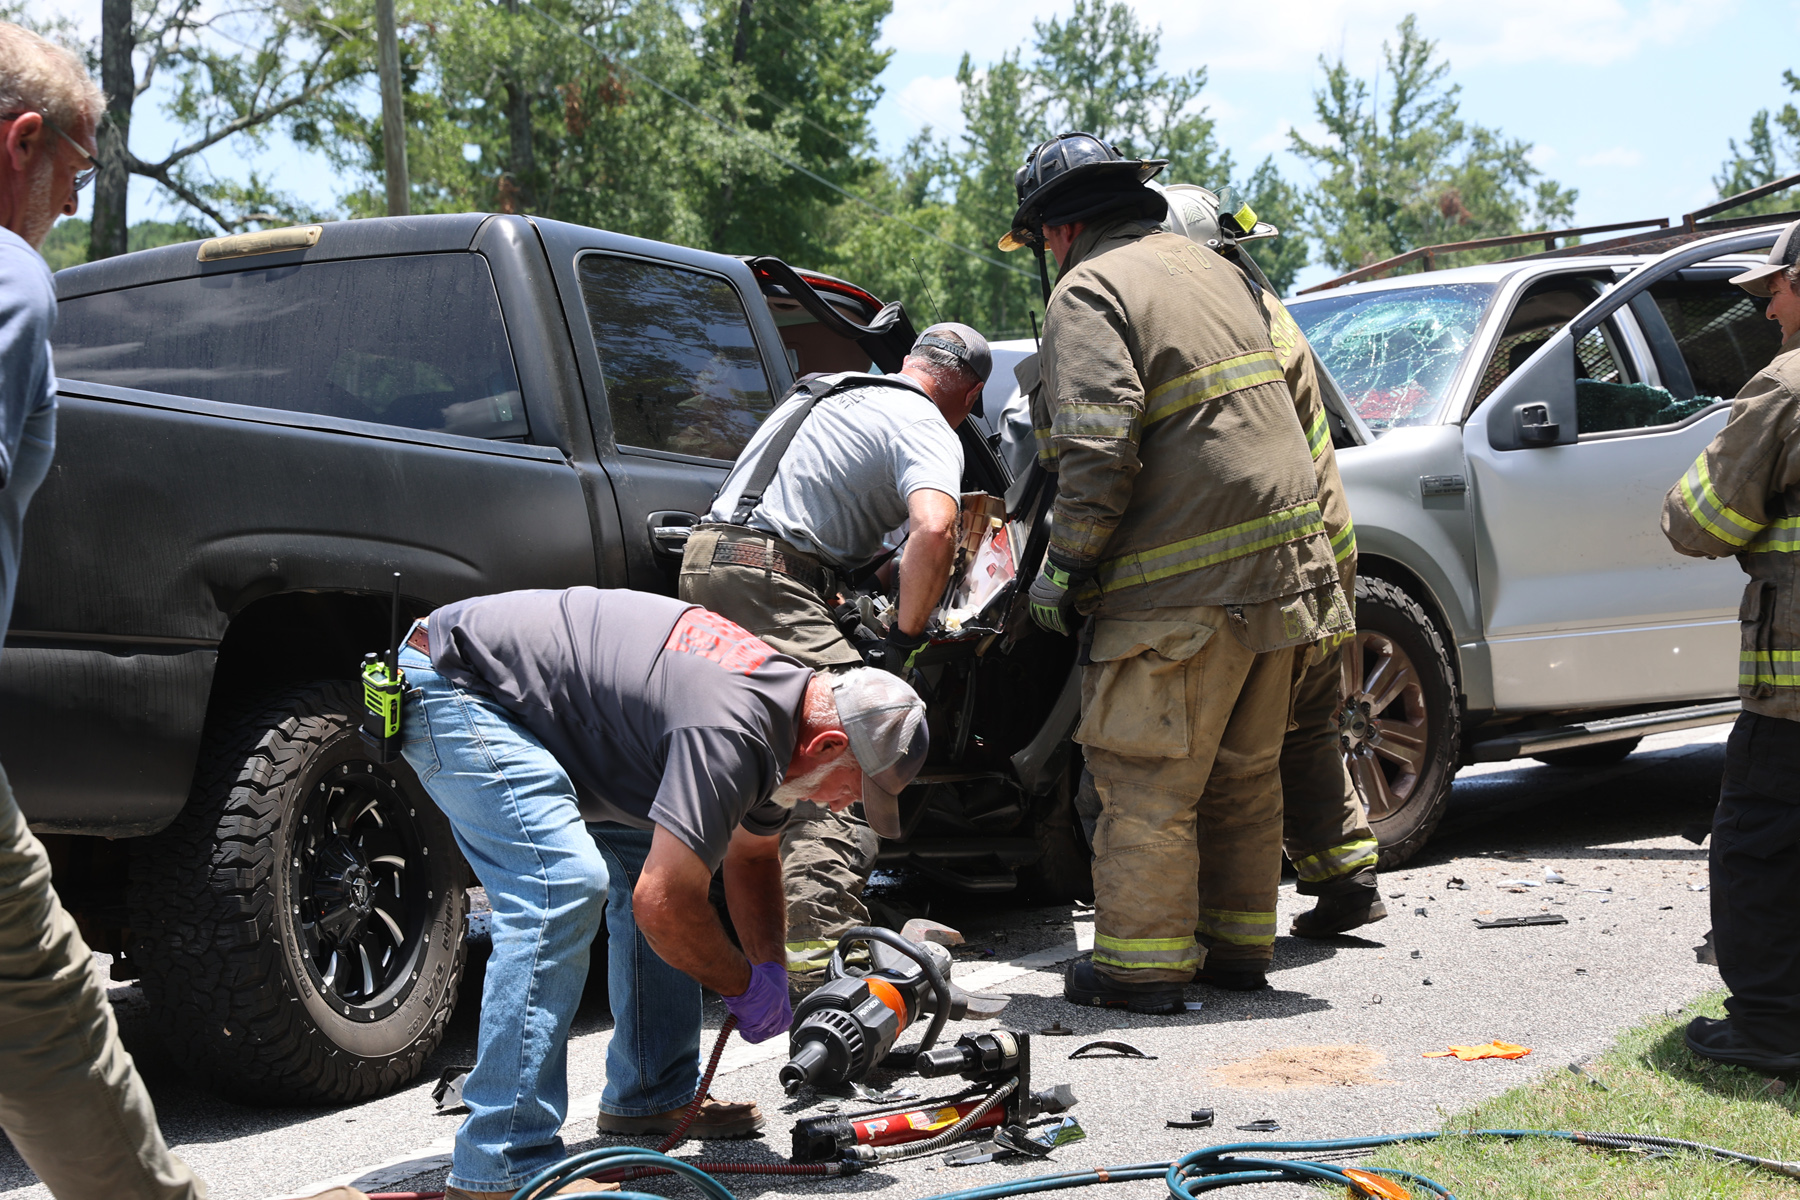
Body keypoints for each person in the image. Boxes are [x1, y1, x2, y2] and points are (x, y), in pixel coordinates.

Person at [396, 589, 927, 1198]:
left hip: (541, 710)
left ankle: (652, 1092)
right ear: (827, 746)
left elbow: (752, 857)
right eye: (853, 789)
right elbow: (664, 906)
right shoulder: (733, 733)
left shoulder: (785, 725)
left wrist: (770, 972)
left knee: (652, 861)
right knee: (561, 886)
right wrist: (740, 985)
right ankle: (500, 1166)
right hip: (456, 682)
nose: (841, 806)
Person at [1004, 133, 1351, 1011]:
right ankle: (1237, 950)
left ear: (1060, 230)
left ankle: (1142, 966)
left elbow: (1097, 449)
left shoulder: (1090, 288)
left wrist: (1061, 572)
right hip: (1284, 581)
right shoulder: (1219, 273)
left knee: (1144, 780)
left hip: (1178, 596)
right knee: (1242, 776)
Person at [0, 24, 207, 1200]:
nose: (75, 205)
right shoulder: (9, 272)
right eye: (76, 171)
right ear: (23, 142)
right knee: (44, 1010)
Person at [679, 325, 988, 986]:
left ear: (906, 362)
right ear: (971, 397)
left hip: (708, 563)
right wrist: (902, 641)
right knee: (847, 752)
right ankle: (824, 973)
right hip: (769, 581)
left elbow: (808, 512)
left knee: (762, 757)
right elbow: (935, 527)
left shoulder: (826, 393)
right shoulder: (928, 421)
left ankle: (750, 947)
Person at [1158, 183, 1386, 940]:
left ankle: (1221, 922)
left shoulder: (1228, 325)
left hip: (1289, 554)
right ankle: (1347, 875)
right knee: (1306, 720)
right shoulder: (1264, 308)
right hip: (1324, 545)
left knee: (1247, 739)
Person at [1662, 217, 1800, 1071]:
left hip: (1792, 692)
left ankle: (1773, 1027)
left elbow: (1697, 522)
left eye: (1775, 291)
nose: (1768, 312)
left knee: (1759, 847)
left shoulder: (1786, 387)